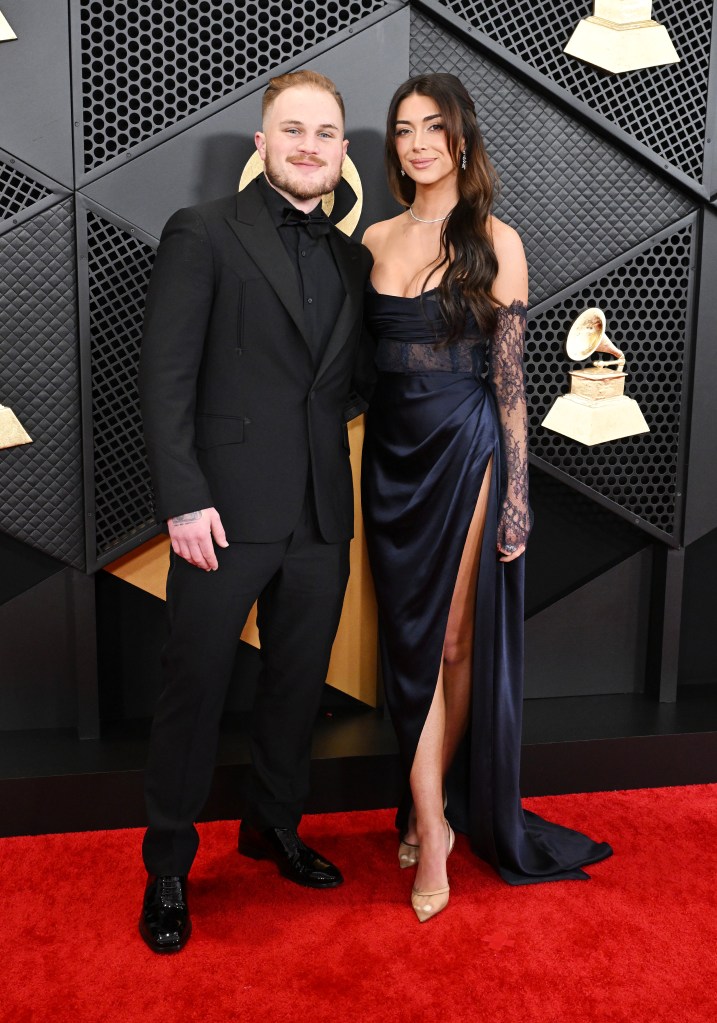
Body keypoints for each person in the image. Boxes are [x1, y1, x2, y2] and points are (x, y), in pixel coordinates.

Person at [361, 73, 612, 923]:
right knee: (408, 644)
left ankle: (430, 824)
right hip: (389, 461)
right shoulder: (372, 237)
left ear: (462, 138)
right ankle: (420, 800)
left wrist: (517, 492)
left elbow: (510, 385)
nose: (418, 142)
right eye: (402, 130)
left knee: (453, 642)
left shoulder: (496, 240)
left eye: (433, 127)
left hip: (466, 451)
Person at [138, 70, 373, 952]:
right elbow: (164, 380)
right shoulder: (202, 232)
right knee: (192, 689)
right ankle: (167, 865)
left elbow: (346, 388)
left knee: (295, 688)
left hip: (320, 512)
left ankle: (273, 827)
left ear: (342, 153)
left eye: (325, 134)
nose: (309, 145)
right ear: (261, 144)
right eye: (293, 130)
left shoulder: (355, 259)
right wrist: (184, 499)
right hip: (220, 515)